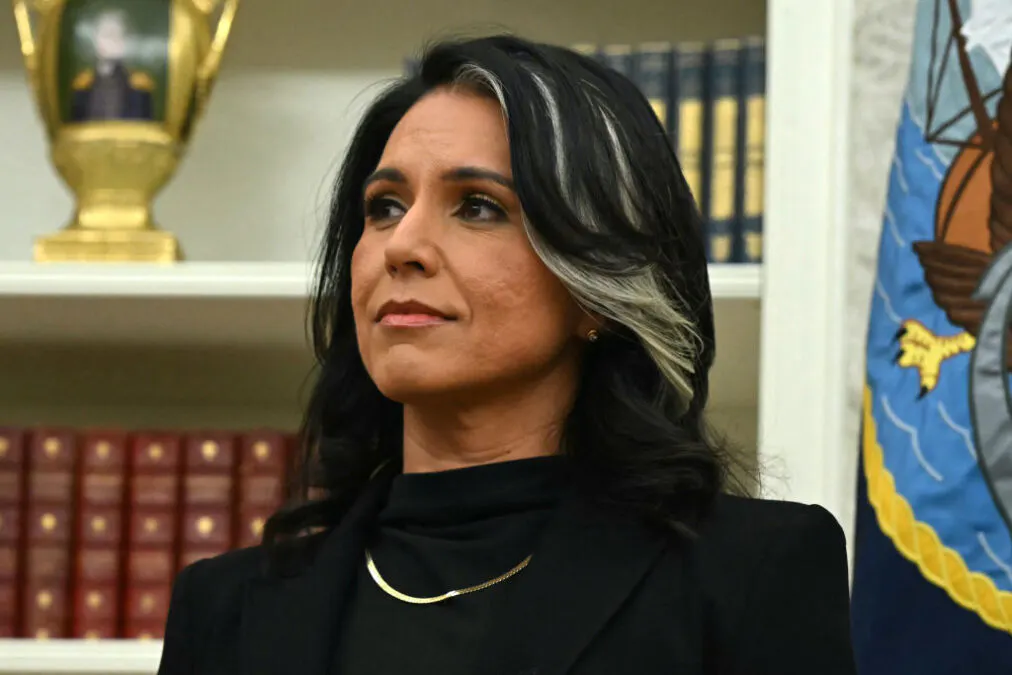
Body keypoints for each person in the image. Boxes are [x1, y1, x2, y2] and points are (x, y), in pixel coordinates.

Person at [156, 35, 856, 674]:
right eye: (386, 206)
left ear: (595, 290)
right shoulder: (225, 608)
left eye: (478, 206)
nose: (403, 246)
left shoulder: (750, 571)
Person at [69, 11, 154, 123]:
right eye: (106, 35)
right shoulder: (82, 84)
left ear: (124, 43)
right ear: (95, 41)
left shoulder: (140, 84)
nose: (112, 41)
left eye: (117, 35)